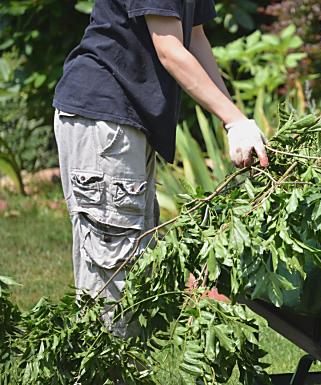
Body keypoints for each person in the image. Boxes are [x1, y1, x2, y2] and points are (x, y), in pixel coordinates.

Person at [52, 0, 269, 337]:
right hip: (105, 119)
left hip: (127, 121)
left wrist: (234, 121)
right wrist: (234, 120)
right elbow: (170, 50)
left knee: (134, 265)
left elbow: (194, 37)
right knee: (114, 278)